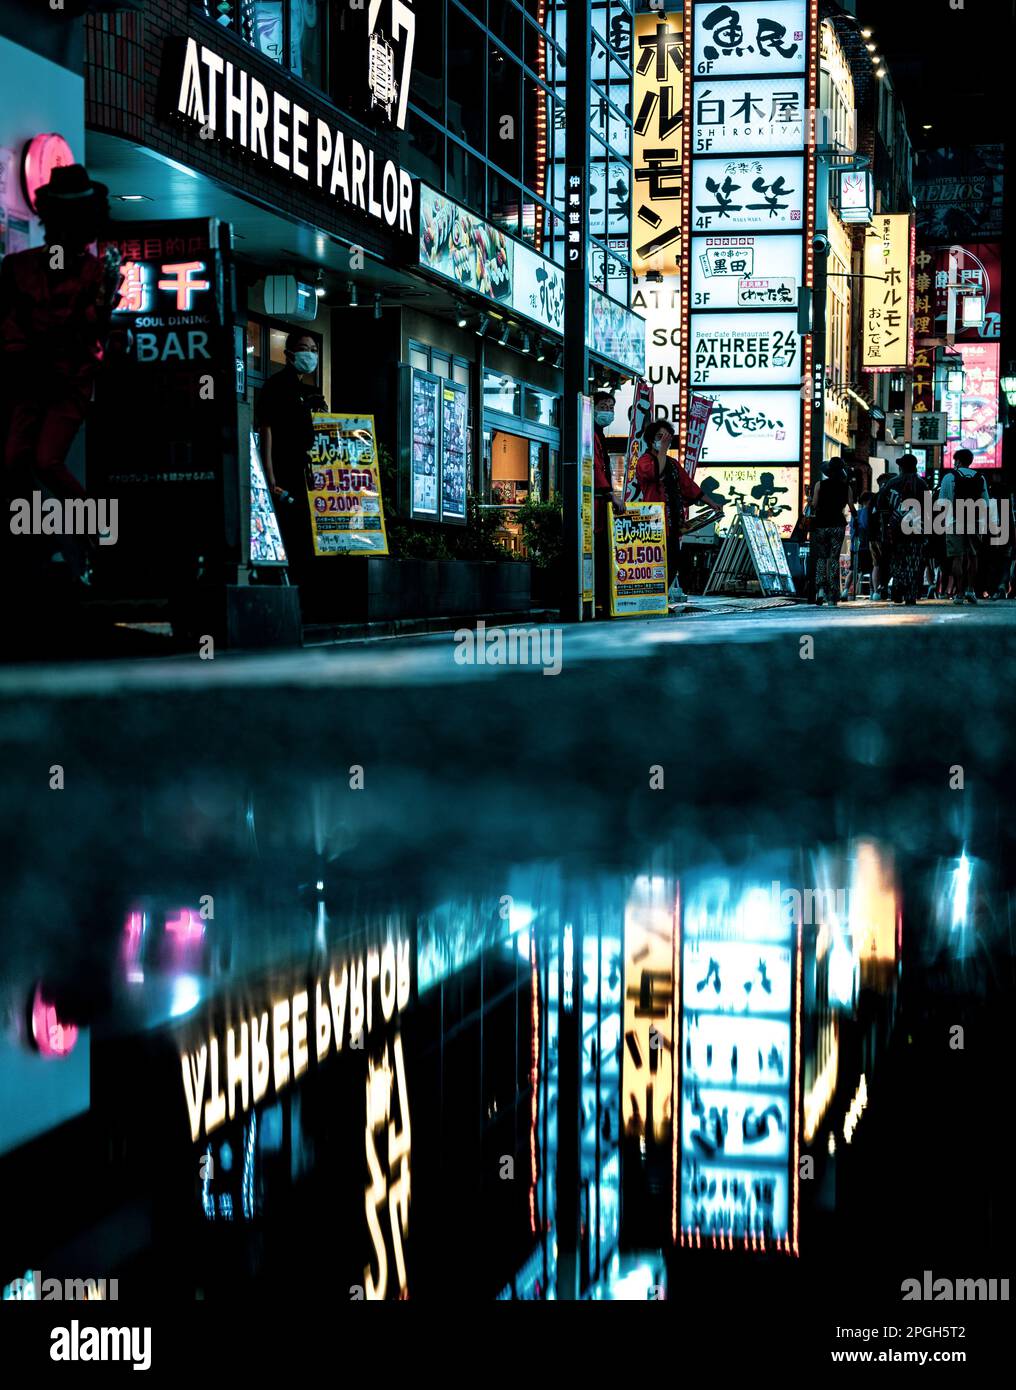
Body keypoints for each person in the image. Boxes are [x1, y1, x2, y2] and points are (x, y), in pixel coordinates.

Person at [0, 164, 117, 513]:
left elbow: (92, 330)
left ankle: (90, 530)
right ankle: (49, 537)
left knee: (43, 460)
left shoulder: (94, 272)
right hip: (31, 377)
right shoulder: (22, 267)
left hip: (66, 380)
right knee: (16, 461)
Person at [257, 331, 327, 584]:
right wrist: (270, 476)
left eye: (314, 350)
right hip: (284, 472)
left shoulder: (304, 390)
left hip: (303, 471)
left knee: (303, 535)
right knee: (292, 534)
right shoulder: (276, 386)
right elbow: (266, 429)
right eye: (303, 349)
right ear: (288, 354)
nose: (309, 355)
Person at [635, 417, 723, 606]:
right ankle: (654, 596)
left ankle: (662, 595)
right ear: (651, 440)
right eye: (660, 437)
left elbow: (689, 486)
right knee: (657, 560)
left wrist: (711, 503)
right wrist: (664, 450)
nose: (664, 440)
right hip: (654, 521)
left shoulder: (673, 464)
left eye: (667, 437)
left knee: (674, 560)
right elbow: (655, 473)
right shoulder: (644, 461)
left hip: (673, 522)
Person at [592, 389, 627, 616]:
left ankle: (600, 599)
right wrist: (610, 494)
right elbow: (595, 467)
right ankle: (599, 600)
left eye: (611, 408)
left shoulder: (597, 435)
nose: (608, 412)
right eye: (603, 407)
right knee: (598, 552)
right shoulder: (590, 434)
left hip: (598, 504)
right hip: (594, 505)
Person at [939, 448, 988, 605]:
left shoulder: (948, 477)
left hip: (954, 521)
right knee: (973, 556)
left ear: (958, 461)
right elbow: (985, 502)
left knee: (957, 557)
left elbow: (942, 503)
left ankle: (959, 594)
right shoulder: (980, 477)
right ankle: (970, 590)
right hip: (975, 521)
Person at [881, 454, 931, 605]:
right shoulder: (922, 484)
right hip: (916, 529)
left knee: (897, 561)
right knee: (914, 562)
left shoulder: (891, 483)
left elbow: (881, 506)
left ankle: (897, 591)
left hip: (895, 529)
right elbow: (928, 511)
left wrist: (885, 527)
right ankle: (911, 594)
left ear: (901, 467)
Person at [807, 459, 855, 605]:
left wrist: (809, 500)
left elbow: (814, 505)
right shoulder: (846, 486)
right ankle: (833, 594)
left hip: (821, 524)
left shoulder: (820, 485)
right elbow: (851, 507)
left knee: (822, 557)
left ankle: (820, 589)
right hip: (837, 525)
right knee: (834, 558)